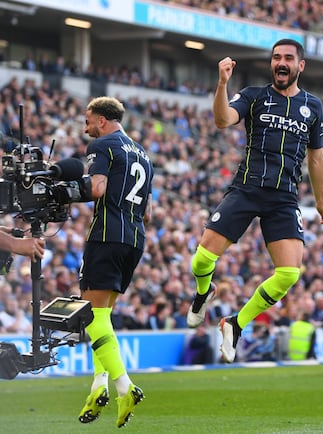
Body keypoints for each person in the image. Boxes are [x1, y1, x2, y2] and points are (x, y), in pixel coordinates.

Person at [186, 39, 323, 363]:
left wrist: (322, 203)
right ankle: (203, 293)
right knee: (200, 261)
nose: (281, 63)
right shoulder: (255, 95)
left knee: (289, 273)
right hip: (247, 188)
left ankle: (235, 324)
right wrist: (223, 84)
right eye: (276, 58)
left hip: (283, 197)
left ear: (300, 66)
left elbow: (316, 157)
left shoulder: (313, 105)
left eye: (288, 58)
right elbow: (224, 119)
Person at [78, 96, 153, 428]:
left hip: (107, 235)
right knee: (102, 317)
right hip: (134, 239)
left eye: (88, 120)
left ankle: (124, 385)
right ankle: (98, 385)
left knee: (91, 315)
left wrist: (64, 190)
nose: (86, 127)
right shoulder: (144, 155)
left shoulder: (104, 145)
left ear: (103, 121)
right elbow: (147, 211)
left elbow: (96, 188)